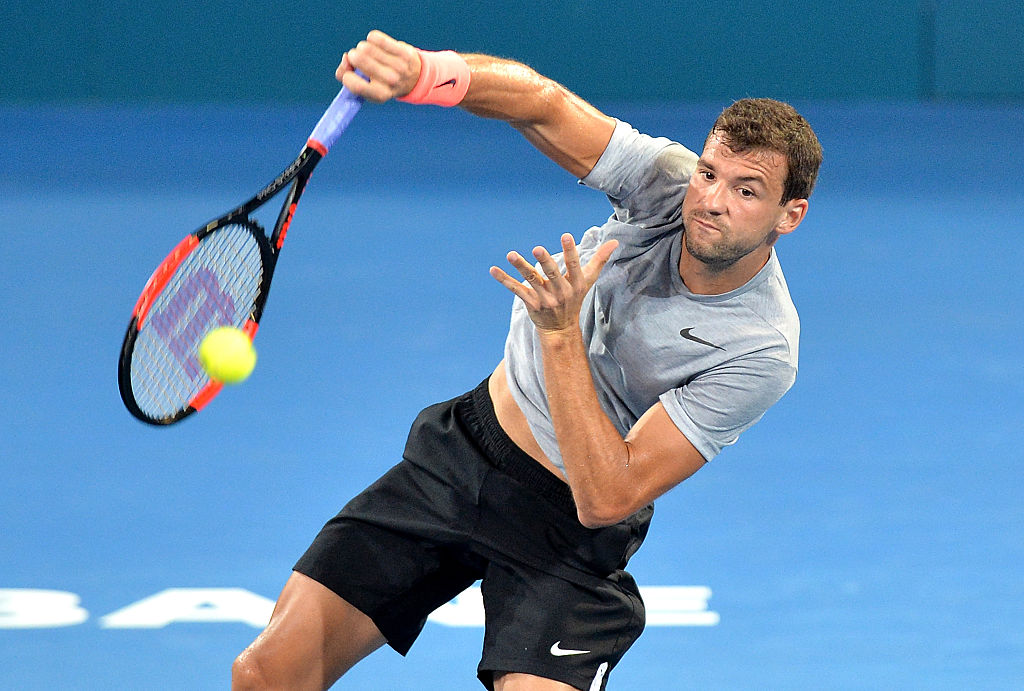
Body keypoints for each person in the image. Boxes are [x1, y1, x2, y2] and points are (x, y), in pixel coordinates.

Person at [233, 30, 822, 691]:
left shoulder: (761, 346)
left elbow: (608, 496)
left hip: (565, 531)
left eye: (747, 191)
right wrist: (424, 72)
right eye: (710, 173)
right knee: (264, 674)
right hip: (464, 456)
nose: (711, 200)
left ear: (789, 215)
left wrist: (560, 332)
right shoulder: (667, 182)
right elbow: (544, 103)